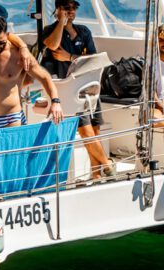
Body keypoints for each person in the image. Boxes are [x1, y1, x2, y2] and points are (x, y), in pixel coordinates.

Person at [41, 0, 113, 179]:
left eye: (73, 8)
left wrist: (70, 56)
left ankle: (96, 175)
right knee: (86, 131)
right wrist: (61, 22)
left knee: (94, 131)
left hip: (88, 86)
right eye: (66, 8)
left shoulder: (84, 31)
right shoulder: (50, 31)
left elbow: (93, 58)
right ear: (58, 10)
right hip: (69, 90)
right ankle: (108, 165)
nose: (71, 11)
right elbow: (52, 45)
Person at [0, 15, 63, 130]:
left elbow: (44, 77)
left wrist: (55, 102)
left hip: (12, 117)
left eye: (1, 43)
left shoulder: (18, 55)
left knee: (11, 148)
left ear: (8, 35)